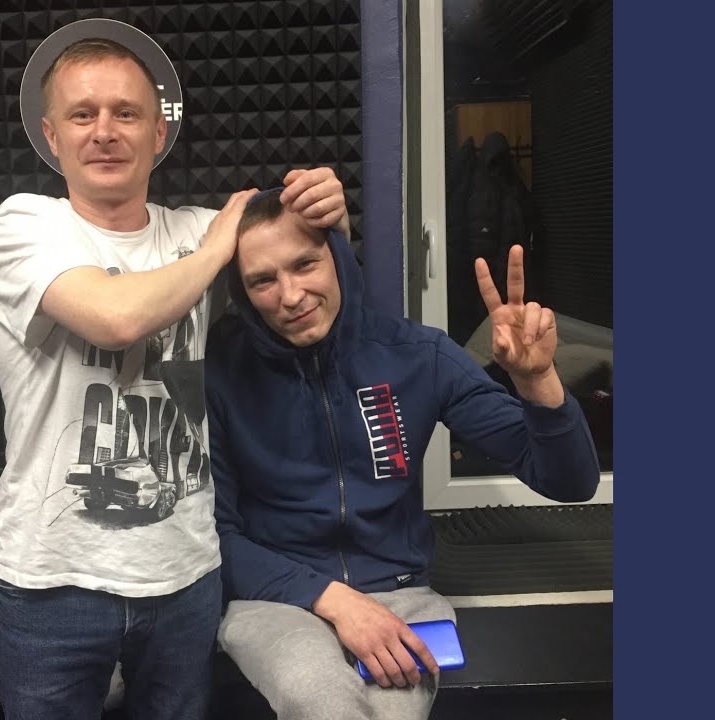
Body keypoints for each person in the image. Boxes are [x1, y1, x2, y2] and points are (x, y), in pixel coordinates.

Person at [0, 36, 350, 720]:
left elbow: (311, 292)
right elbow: (115, 318)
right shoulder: (25, 223)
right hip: (53, 581)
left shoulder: (202, 229)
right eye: (83, 114)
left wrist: (330, 214)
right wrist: (215, 250)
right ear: (51, 135)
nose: (104, 131)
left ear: (159, 131)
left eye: (125, 113)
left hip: (185, 575)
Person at [204, 188, 600, 720]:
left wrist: (537, 380)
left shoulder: (419, 355)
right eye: (263, 280)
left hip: (401, 592)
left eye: (305, 264)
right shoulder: (220, 372)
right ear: (243, 292)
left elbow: (570, 482)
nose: (291, 295)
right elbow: (214, 536)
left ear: (337, 259)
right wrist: (334, 599)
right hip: (274, 597)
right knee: (319, 698)